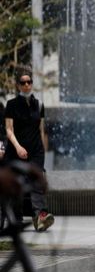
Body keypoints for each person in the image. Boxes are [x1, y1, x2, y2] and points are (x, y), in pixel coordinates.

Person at [3, 70, 54, 231]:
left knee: (36, 180)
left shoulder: (39, 105)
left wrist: (43, 151)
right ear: (18, 85)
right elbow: (9, 130)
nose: (27, 85)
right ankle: (17, 219)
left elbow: (41, 130)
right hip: (16, 149)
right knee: (18, 183)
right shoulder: (11, 105)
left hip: (36, 150)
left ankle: (40, 216)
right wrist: (18, 147)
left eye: (29, 82)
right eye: (23, 82)